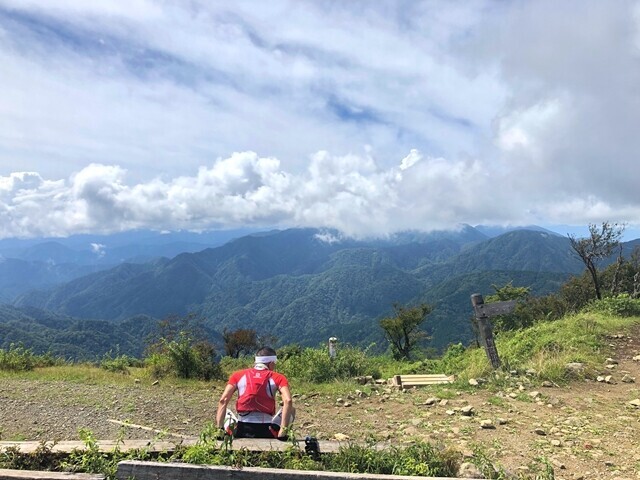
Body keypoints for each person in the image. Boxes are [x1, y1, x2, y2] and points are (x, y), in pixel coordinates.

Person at [216, 347, 295, 440]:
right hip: (266, 430)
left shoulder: (237, 375)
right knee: (292, 410)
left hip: (242, 430)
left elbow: (223, 400)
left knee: (226, 411)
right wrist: (283, 431)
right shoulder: (278, 377)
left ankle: (221, 432)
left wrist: (220, 428)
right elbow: (288, 400)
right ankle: (280, 433)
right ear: (271, 363)